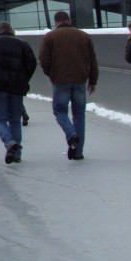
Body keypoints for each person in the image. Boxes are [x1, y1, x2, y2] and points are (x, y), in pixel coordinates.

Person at [39, 10, 98, 160]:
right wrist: (92, 80)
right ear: (69, 20)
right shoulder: (83, 36)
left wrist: (52, 75)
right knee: (79, 114)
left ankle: (71, 134)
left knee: (60, 111)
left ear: (56, 22)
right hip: (80, 80)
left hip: (60, 80)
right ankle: (78, 152)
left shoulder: (50, 37)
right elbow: (92, 59)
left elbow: (44, 60)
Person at [0, 21, 36, 164]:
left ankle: (9, 142)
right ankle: (17, 154)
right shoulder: (22, 44)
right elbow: (32, 63)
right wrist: (24, 79)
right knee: (15, 120)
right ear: (12, 30)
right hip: (16, 86)